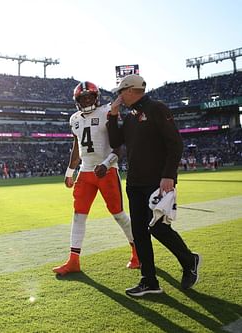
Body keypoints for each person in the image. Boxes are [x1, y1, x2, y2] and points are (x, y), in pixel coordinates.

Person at [107, 74, 201, 297]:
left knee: (157, 227)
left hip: (157, 182)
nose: (119, 96)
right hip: (135, 183)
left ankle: (189, 260)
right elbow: (115, 142)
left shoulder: (157, 108)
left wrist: (169, 175)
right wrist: (112, 116)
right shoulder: (129, 116)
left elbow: (175, 143)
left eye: (121, 92)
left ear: (130, 90)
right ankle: (149, 282)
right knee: (139, 233)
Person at [53, 81, 140, 276]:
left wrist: (107, 164)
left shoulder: (107, 112)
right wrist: (69, 172)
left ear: (96, 97)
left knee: (118, 214)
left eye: (89, 97)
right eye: (82, 98)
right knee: (78, 216)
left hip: (106, 171)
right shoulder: (74, 119)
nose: (86, 100)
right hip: (85, 172)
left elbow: (119, 146)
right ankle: (73, 261)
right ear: (77, 101)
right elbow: (77, 148)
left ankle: (137, 252)